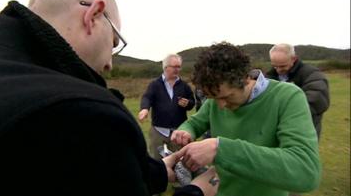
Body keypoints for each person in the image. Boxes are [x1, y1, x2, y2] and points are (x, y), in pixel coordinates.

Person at [0, 0, 218, 196]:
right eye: (114, 43)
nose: (110, 64)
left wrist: (158, 171)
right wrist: (196, 191)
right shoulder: (83, 113)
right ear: (93, 15)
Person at [170, 42, 321, 196]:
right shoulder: (215, 101)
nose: (220, 106)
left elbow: (306, 171)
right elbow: (194, 123)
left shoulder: (287, 97)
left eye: (227, 97)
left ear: (245, 78)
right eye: (213, 98)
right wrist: (185, 131)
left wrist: (221, 150)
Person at [266, 43, 330, 139]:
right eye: (275, 66)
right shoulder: (269, 76)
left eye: (283, 66)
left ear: (293, 59)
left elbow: (317, 99)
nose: (278, 70)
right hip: (278, 131)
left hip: (305, 130)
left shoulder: (312, 74)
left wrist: (283, 113)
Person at [138, 54, 195, 160]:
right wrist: (145, 109)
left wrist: (188, 103)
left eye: (179, 67)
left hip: (178, 131)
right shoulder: (155, 84)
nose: (177, 69)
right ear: (165, 67)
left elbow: (192, 102)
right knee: (156, 161)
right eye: (174, 67)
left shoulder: (184, 85)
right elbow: (147, 97)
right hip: (158, 130)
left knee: (179, 162)